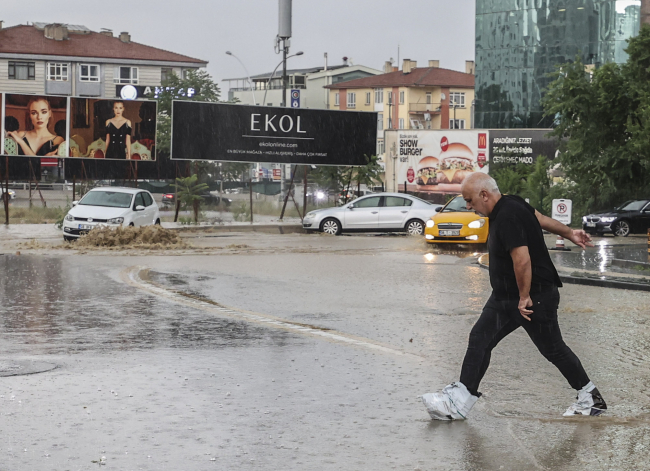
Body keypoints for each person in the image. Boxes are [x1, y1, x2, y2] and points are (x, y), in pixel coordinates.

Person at [422, 172, 607, 420]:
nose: (468, 206)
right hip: (505, 297)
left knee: (552, 348)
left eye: (469, 200)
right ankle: (460, 400)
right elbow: (540, 219)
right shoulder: (512, 202)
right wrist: (569, 233)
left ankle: (590, 398)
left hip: (532, 297)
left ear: (484, 195)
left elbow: (522, 261)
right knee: (480, 338)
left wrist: (524, 297)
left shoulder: (508, 216)